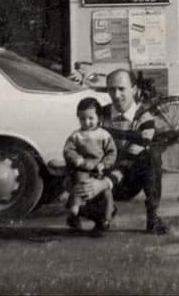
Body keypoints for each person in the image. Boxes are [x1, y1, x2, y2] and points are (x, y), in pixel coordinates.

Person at [74, 69, 169, 235]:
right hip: (102, 174)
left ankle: (153, 216)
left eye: (121, 89)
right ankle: (101, 212)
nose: (116, 95)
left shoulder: (145, 119)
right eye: (111, 89)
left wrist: (104, 183)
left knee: (151, 157)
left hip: (129, 179)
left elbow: (131, 159)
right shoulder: (99, 115)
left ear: (134, 90)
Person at [62, 97, 117, 234]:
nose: (87, 122)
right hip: (82, 168)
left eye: (91, 118)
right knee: (80, 184)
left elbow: (111, 152)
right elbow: (68, 150)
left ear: (99, 117)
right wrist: (77, 159)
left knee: (106, 193)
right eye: (82, 119)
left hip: (99, 170)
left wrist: (104, 164)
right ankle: (74, 212)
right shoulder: (76, 136)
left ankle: (106, 219)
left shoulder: (104, 135)